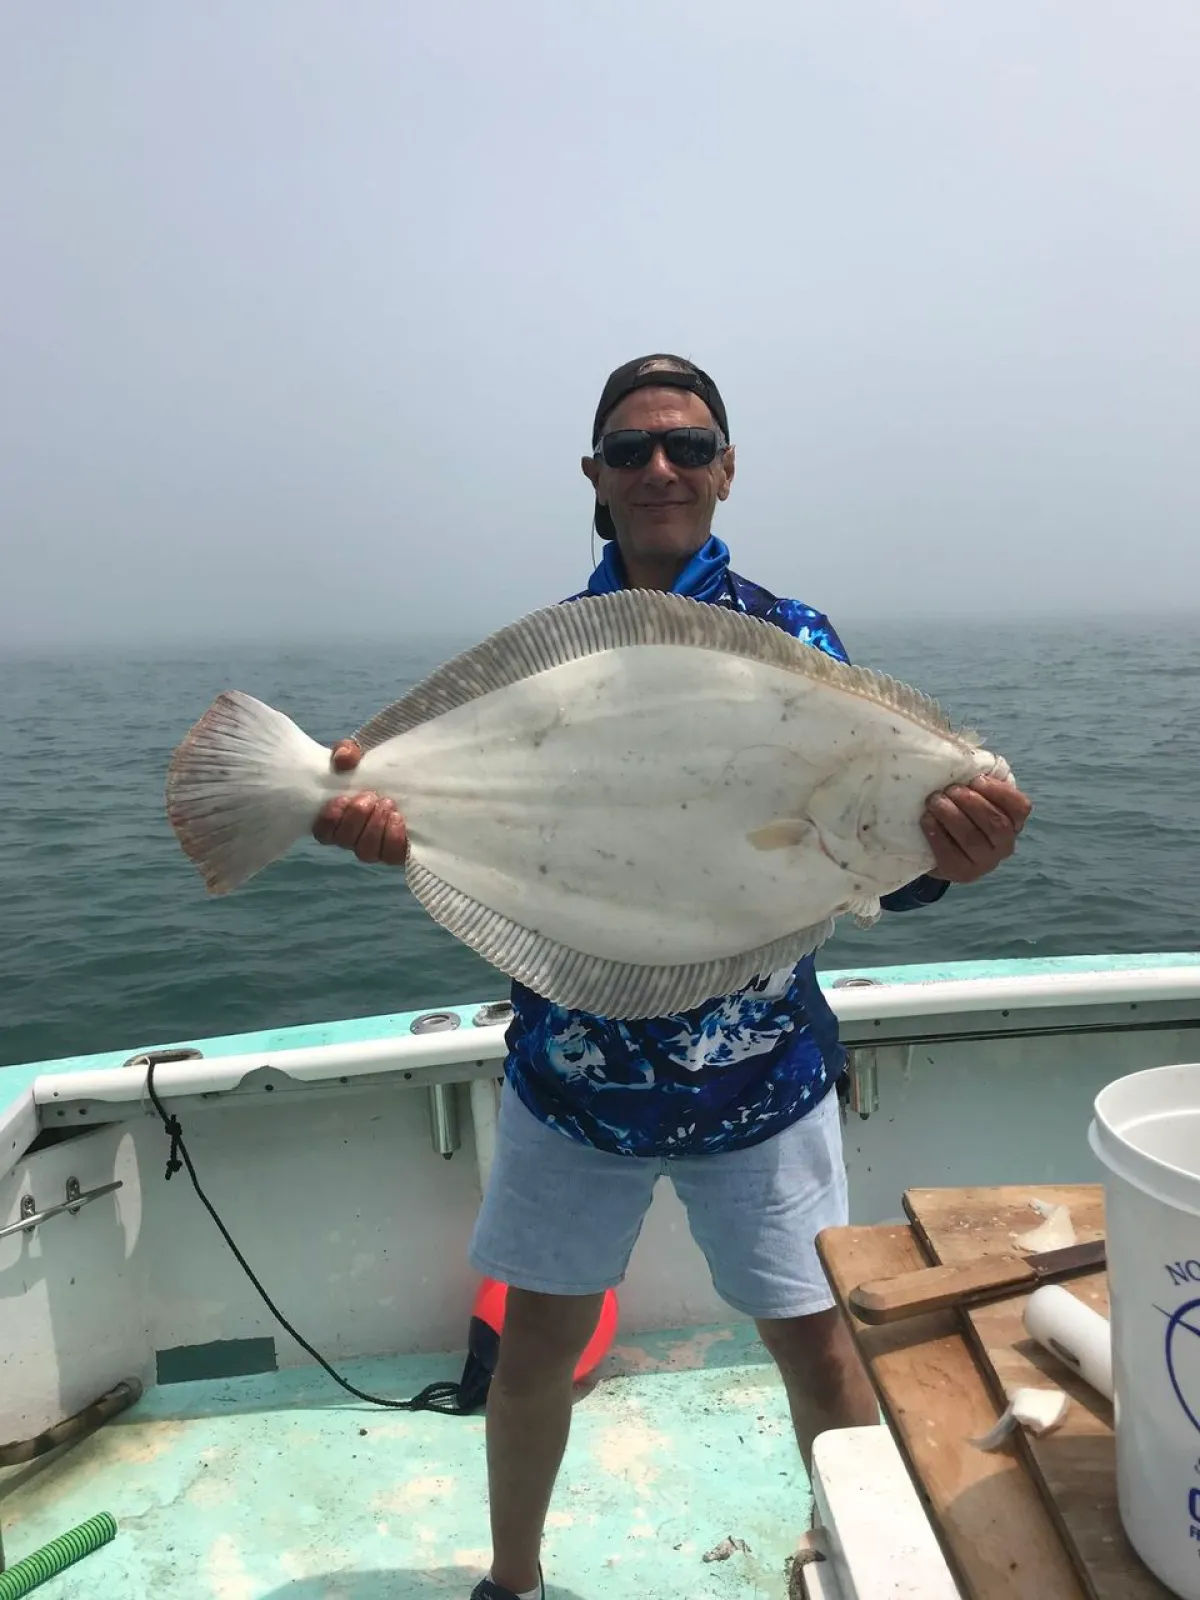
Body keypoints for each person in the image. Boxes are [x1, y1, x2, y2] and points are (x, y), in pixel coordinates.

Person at [313, 355, 1032, 1600]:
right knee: (533, 1343)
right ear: (594, 477)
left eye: (690, 446)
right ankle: (514, 1580)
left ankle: (850, 1557)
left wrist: (948, 858)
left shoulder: (798, 643)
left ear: (727, 469)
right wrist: (383, 818)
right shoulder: (554, 653)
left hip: (761, 1081)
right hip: (573, 1077)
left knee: (817, 1346)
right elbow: (516, 832)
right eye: (633, 449)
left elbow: (869, 874)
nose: (662, 468)